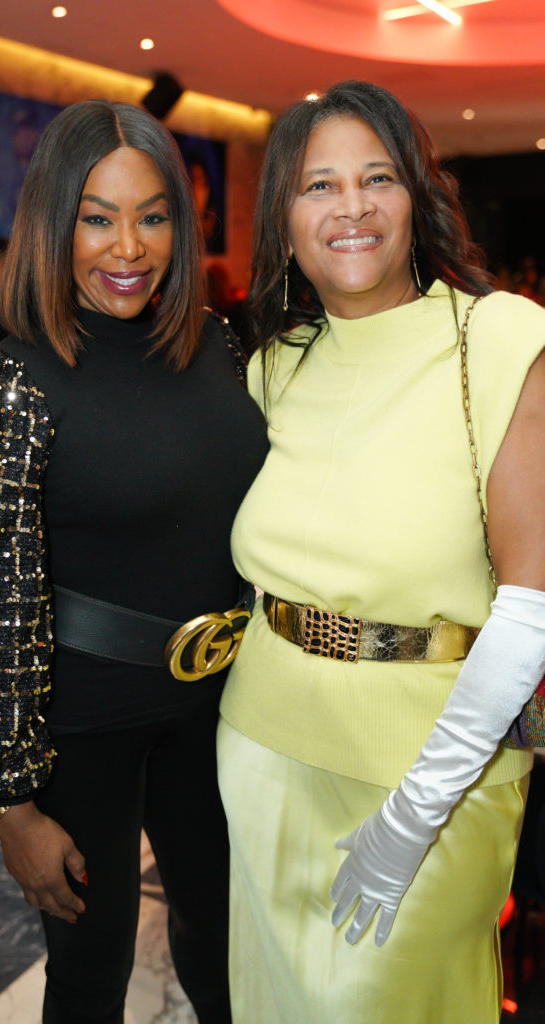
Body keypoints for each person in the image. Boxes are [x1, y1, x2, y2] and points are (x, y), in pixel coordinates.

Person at [0, 99, 268, 1024]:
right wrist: (10, 808)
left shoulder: (215, 346)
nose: (129, 248)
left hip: (222, 707)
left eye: (152, 216)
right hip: (81, 729)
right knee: (90, 973)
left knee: (227, 944)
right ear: (51, 223)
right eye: (97, 218)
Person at [216, 80, 545, 1024]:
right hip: (262, 749)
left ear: (417, 199)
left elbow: (530, 604)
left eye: (377, 178)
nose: (350, 206)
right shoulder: (275, 364)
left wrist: (412, 817)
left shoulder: (498, 336)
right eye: (318, 185)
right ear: (284, 223)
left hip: (436, 774)